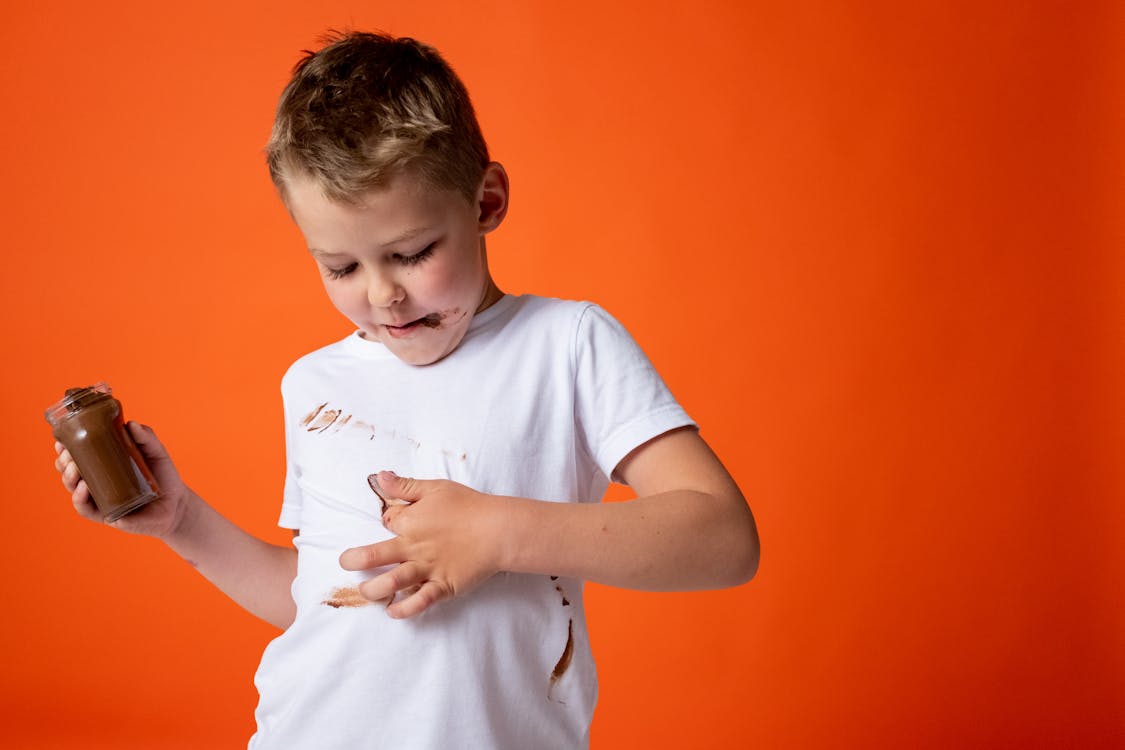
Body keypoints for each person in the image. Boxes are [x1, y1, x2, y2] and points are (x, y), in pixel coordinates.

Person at [52, 30, 759, 749]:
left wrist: (499, 531)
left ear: (485, 201)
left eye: (412, 253)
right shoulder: (314, 384)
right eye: (340, 267)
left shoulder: (567, 344)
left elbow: (723, 539)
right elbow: (325, 602)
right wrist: (183, 524)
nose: (383, 295)